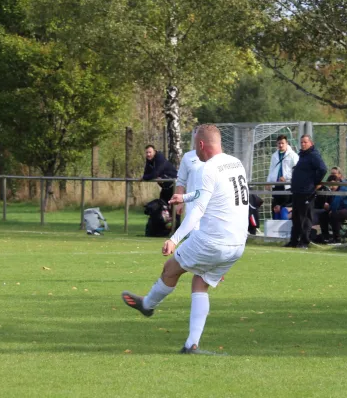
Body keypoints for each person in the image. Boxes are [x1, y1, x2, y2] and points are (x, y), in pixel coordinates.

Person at [122, 124, 248, 354]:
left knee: (170, 269)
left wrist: (175, 239)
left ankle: (148, 304)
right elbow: (211, 194)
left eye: (194, 146)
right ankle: (192, 345)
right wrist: (185, 195)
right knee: (200, 282)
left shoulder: (207, 168)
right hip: (237, 245)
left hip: (212, 240)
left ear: (201, 145)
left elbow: (198, 210)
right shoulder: (236, 163)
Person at [285, 135, 327, 249]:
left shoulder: (314, 155)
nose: (303, 144)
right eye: (301, 142)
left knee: (305, 218)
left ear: (311, 143)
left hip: (307, 192)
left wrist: (315, 182)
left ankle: (304, 242)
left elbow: (323, 169)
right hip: (298, 191)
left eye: (305, 142)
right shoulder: (303, 156)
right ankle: (293, 241)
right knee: (296, 217)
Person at [318, 175, 347, 243]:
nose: (331, 187)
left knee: (334, 215)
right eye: (329, 185)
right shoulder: (337, 189)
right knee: (323, 215)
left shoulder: (345, 187)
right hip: (343, 211)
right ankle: (326, 238)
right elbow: (335, 204)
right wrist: (329, 208)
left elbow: (336, 202)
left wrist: (330, 209)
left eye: (332, 185)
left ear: (337, 182)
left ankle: (337, 239)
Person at [267, 135, 299, 219]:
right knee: (275, 209)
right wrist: (268, 182)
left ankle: (286, 229)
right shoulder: (274, 155)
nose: (281, 145)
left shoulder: (293, 155)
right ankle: (275, 230)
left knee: (283, 209)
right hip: (276, 186)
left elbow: (297, 170)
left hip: (287, 186)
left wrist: (286, 177)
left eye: (282, 143)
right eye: (279, 143)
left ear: (286, 143)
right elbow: (271, 169)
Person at [174, 146, 204, 231]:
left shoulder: (216, 157)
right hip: (193, 206)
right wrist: (180, 203)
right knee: (194, 236)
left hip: (212, 207)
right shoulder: (188, 157)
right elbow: (181, 181)